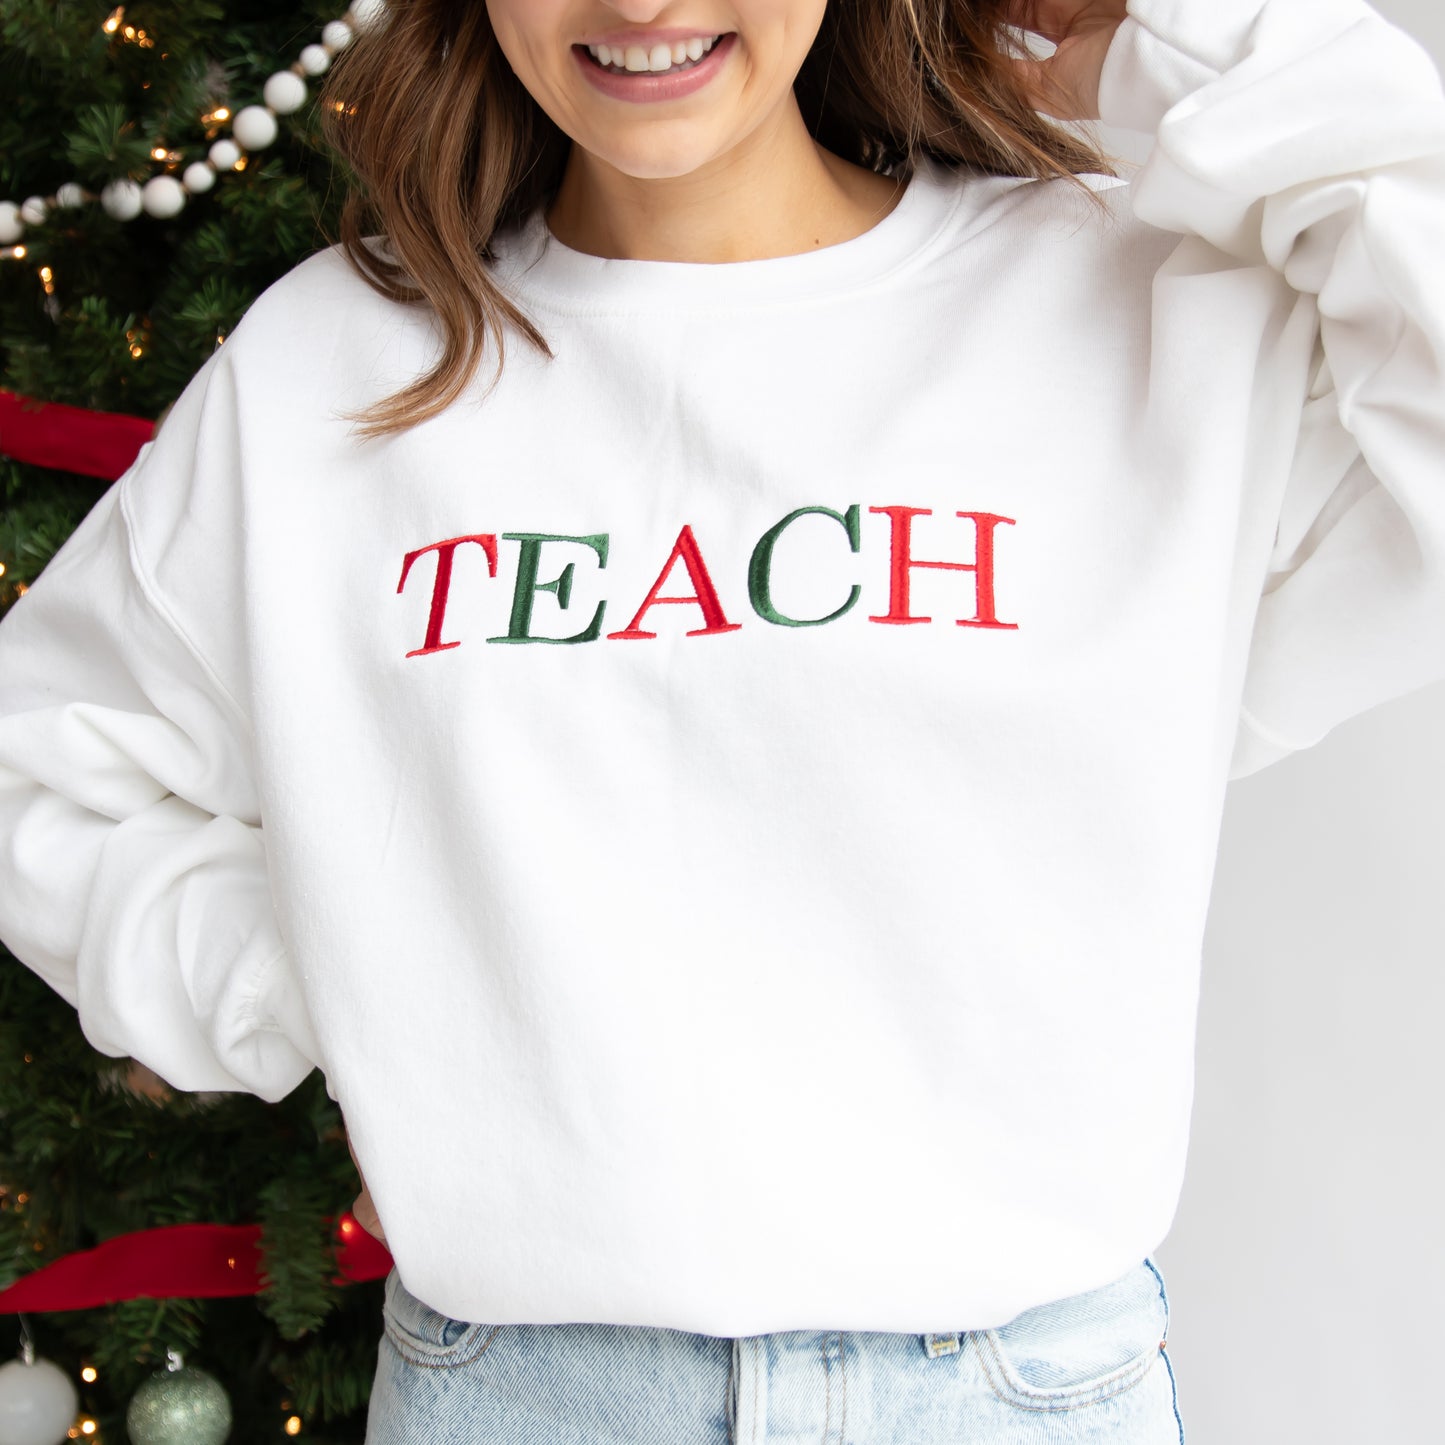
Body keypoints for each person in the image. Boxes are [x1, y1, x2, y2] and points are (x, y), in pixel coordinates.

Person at [2, 0, 1443, 1438]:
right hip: (527, 1397)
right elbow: (41, 766)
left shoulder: (1121, 297)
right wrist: (368, 983)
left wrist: (1168, 37)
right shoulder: (336, 362)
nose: (640, 5)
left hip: (1017, 1394)